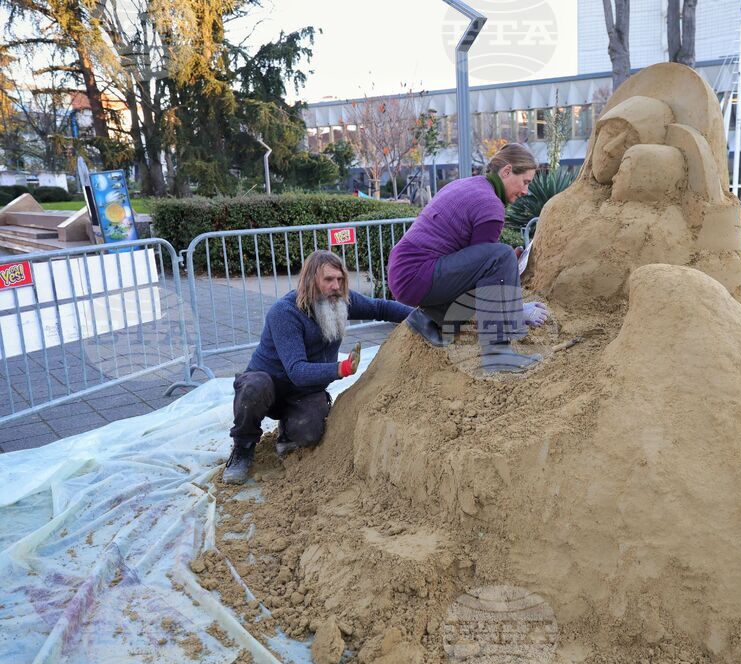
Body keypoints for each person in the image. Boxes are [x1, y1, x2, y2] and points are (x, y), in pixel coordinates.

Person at [222, 250, 412, 484]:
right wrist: (341, 369)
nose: (336, 286)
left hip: (304, 392)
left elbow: (380, 308)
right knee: (253, 387)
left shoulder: (339, 299)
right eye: (328, 279)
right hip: (269, 386)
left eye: (340, 279)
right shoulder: (285, 312)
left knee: (310, 432)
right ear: (311, 280)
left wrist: (422, 316)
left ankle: (288, 432)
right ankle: (242, 448)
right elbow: (297, 371)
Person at [387, 143, 549, 373]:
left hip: (405, 271)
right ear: (506, 171)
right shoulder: (491, 205)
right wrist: (517, 310)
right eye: (525, 182)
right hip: (418, 274)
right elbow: (486, 274)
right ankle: (498, 354)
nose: (525, 191)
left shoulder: (468, 184)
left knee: (501, 258)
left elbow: (473, 267)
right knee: (503, 255)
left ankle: (430, 318)